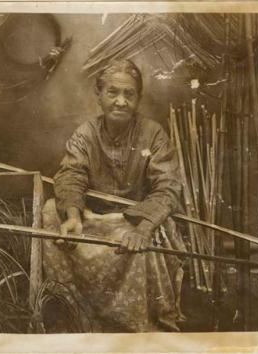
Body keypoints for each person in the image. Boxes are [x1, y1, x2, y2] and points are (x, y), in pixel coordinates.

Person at [41, 59, 185, 332]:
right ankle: (75, 312)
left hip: (135, 221)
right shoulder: (85, 134)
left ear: (138, 98)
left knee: (156, 230)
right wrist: (73, 215)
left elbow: (167, 187)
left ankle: (134, 322)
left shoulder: (152, 134)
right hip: (94, 221)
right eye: (112, 92)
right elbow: (71, 175)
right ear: (99, 95)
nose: (120, 101)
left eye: (129, 94)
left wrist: (143, 228)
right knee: (50, 212)